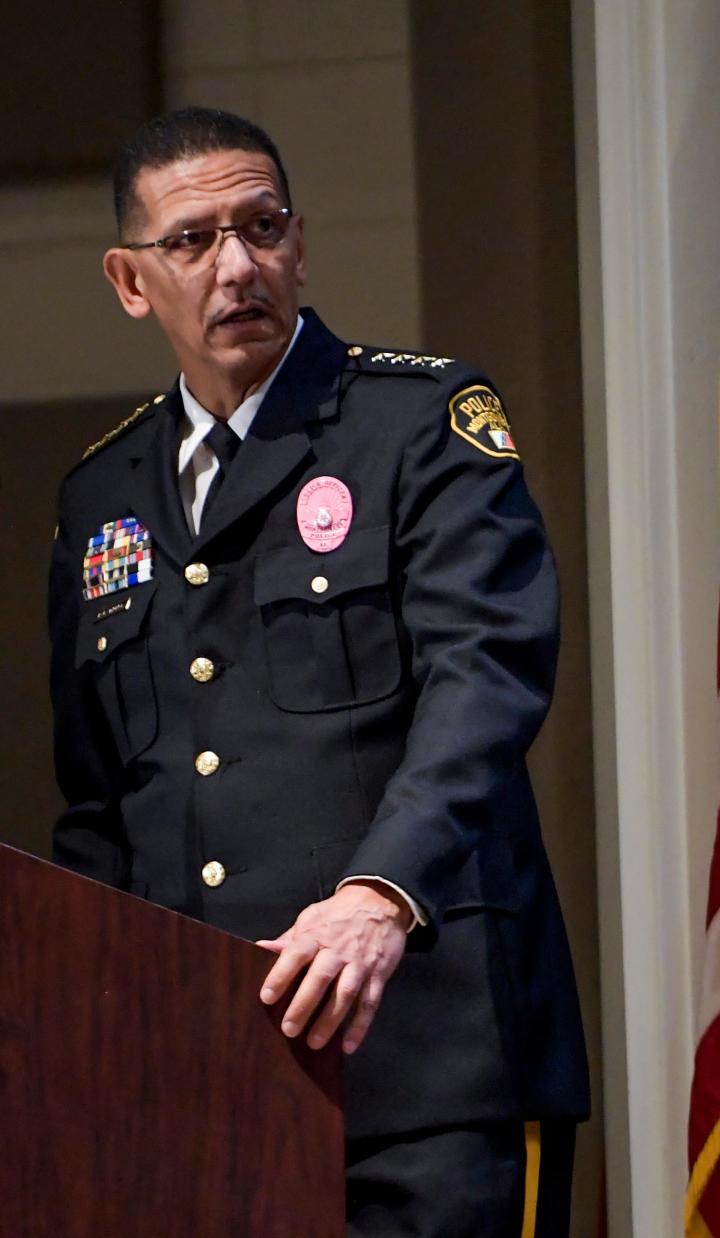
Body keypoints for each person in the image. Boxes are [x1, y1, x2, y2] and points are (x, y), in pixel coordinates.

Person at [48, 106, 588, 1236]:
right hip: (203, 1092)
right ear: (130, 280)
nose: (236, 264)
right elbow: (101, 807)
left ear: (301, 242)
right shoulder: (100, 497)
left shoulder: (419, 422)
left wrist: (377, 895)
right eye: (193, 240)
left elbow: (484, 681)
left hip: (433, 1066)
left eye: (262, 227)